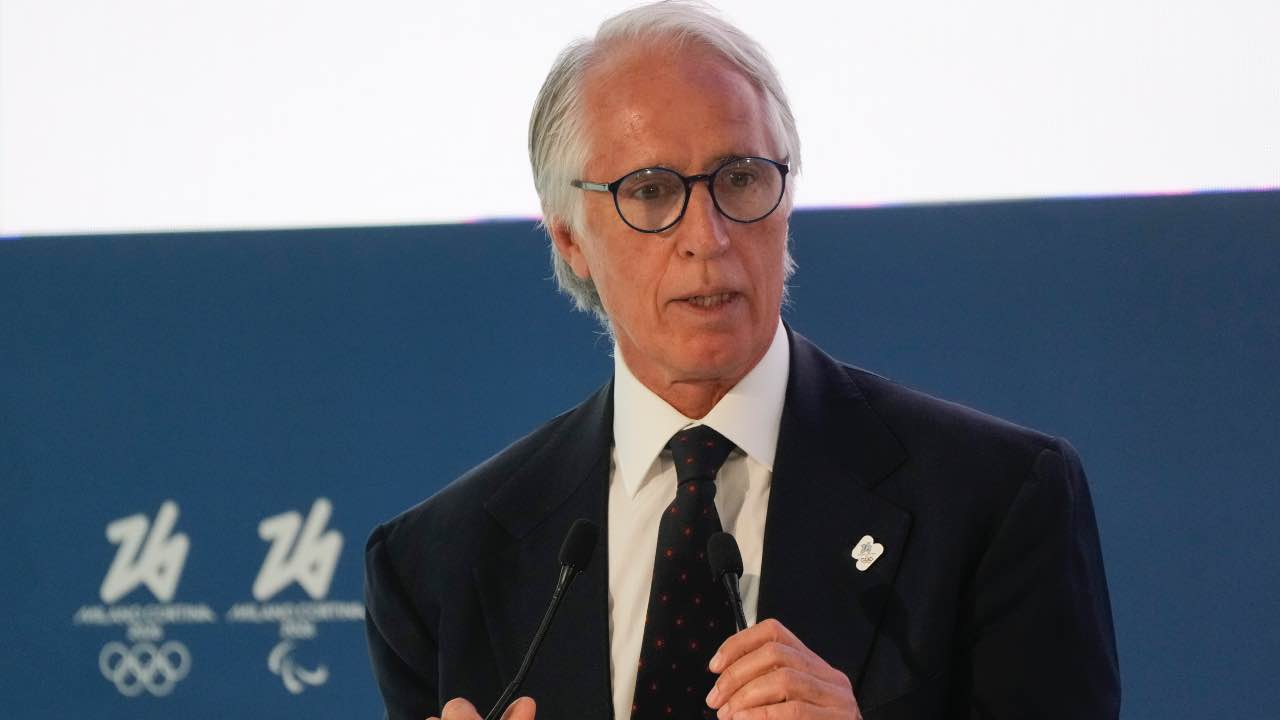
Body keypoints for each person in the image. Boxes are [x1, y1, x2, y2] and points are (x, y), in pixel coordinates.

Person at [363, 2, 1121, 718]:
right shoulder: (439, 566)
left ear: (785, 196)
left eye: (741, 179)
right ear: (570, 238)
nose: (708, 236)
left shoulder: (994, 501)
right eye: (651, 191)